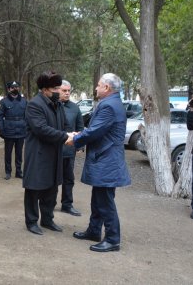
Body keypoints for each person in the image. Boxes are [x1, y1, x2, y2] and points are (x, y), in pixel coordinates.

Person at [68, 73, 131, 252]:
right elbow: (98, 129)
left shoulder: (109, 106)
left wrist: (75, 139)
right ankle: (94, 230)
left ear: (107, 88)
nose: (96, 88)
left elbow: (96, 131)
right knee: (98, 198)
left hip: (107, 159)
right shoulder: (111, 103)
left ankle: (112, 239)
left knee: (105, 201)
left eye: (98, 85)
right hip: (105, 158)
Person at [23, 71, 72, 236]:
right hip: (38, 154)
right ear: (44, 89)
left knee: (51, 189)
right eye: (55, 88)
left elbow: (64, 124)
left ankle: (47, 219)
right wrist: (65, 137)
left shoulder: (57, 104)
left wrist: (68, 134)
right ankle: (31, 222)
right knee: (34, 189)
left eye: (59, 88)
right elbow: (41, 129)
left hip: (55, 153)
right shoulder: (34, 104)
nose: (58, 91)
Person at [59, 80, 84, 216]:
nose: (67, 93)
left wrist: (80, 145)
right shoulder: (52, 106)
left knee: (69, 179)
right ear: (58, 90)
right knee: (51, 179)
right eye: (64, 90)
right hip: (54, 151)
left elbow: (80, 128)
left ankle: (67, 204)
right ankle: (48, 205)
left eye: (69, 90)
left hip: (69, 152)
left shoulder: (75, 108)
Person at [0, 81, 27, 180]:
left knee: (19, 153)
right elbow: (0, 117)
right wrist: (1, 129)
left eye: (17, 87)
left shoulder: (24, 101)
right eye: (13, 87)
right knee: (8, 153)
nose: (15, 89)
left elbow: (27, 116)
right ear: (9, 89)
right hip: (9, 130)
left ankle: (18, 172)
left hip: (21, 130)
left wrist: (27, 128)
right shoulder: (4, 101)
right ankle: (8, 172)